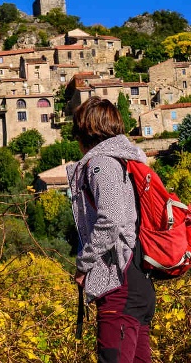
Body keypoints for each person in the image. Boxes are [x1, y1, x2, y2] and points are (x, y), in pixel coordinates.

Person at [68, 96, 155, 363]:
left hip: (120, 281)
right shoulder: (124, 161)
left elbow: (110, 219)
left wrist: (84, 265)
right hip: (137, 279)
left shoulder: (101, 163)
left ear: (86, 131)